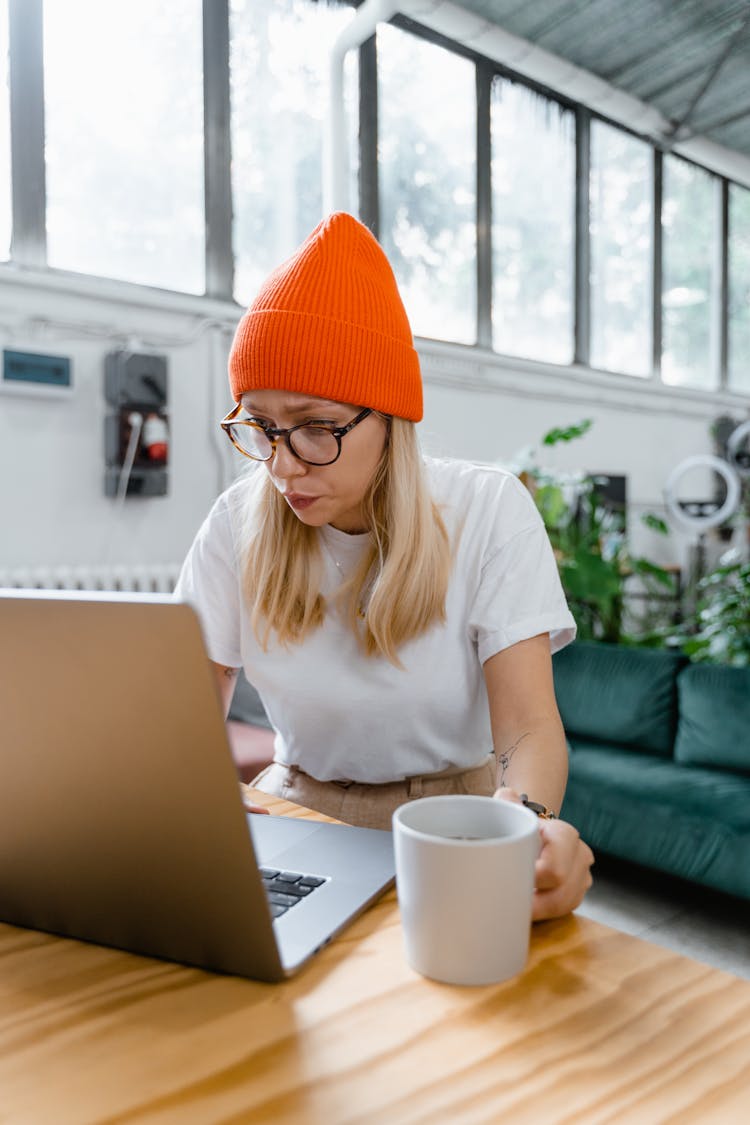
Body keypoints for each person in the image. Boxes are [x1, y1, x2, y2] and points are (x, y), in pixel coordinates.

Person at [176, 211, 594, 920]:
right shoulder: (235, 523)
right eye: (261, 426)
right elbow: (180, 716)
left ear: (390, 415)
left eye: (315, 427)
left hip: (453, 819)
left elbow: (526, 726)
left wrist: (524, 828)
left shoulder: (486, 510)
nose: (282, 464)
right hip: (294, 808)